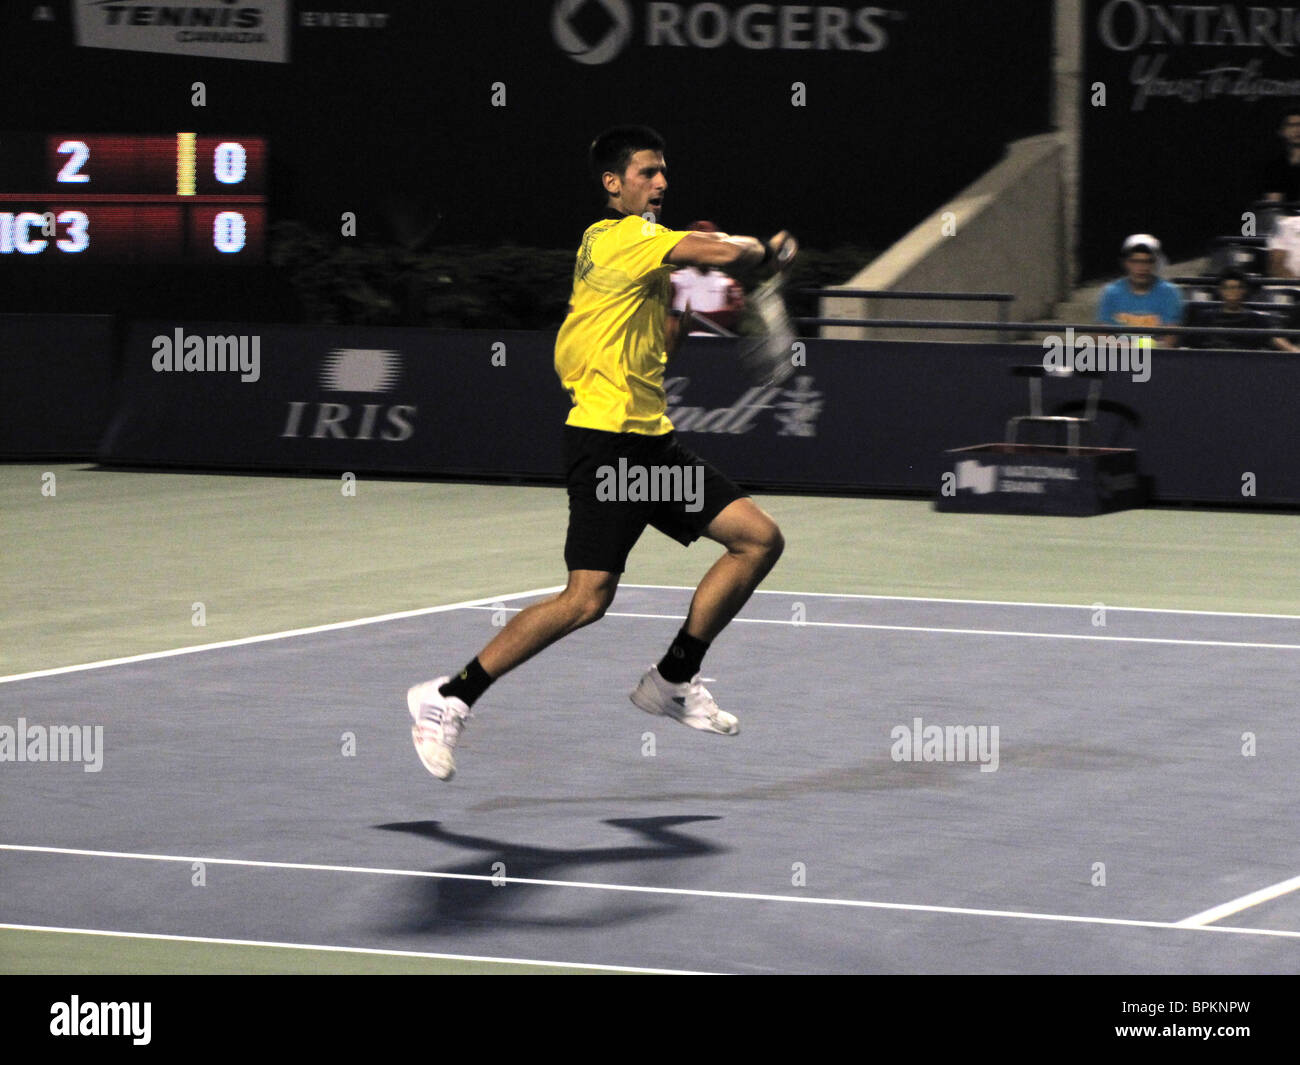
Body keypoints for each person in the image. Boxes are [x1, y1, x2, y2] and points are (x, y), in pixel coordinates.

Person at [406, 125, 796, 781]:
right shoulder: (619, 237)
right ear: (613, 184)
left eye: (664, 171)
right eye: (647, 172)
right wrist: (764, 251)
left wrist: (683, 302)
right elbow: (718, 249)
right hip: (608, 444)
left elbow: (663, 351)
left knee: (758, 539)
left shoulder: (644, 263)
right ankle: (448, 696)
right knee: (586, 598)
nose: (661, 182)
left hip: (651, 443)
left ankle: (672, 679)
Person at [1096, 234, 1183, 347]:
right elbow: (1101, 336)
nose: (1141, 268)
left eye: (1147, 262)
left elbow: (1170, 338)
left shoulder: (1170, 293)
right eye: (1135, 261)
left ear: (1155, 264)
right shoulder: (1110, 293)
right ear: (1126, 263)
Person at [1186, 268, 1297, 351]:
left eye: (1238, 287)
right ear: (1220, 290)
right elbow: (1192, 348)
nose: (1233, 292)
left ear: (1244, 290)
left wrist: (1294, 351)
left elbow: (1278, 341)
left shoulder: (1257, 319)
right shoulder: (1205, 318)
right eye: (1228, 288)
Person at [670, 220, 746, 335]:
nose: (703, 249)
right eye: (698, 244)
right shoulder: (673, 280)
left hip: (715, 346)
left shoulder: (729, 284)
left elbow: (731, 317)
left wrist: (687, 318)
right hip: (679, 346)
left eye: (708, 243)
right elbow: (664, 317)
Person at [1258, 107, 1300, 204]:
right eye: (1292, 125)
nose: (1298, 129)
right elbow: (1274, 204)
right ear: (1281, 131)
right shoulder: (1275, 168)